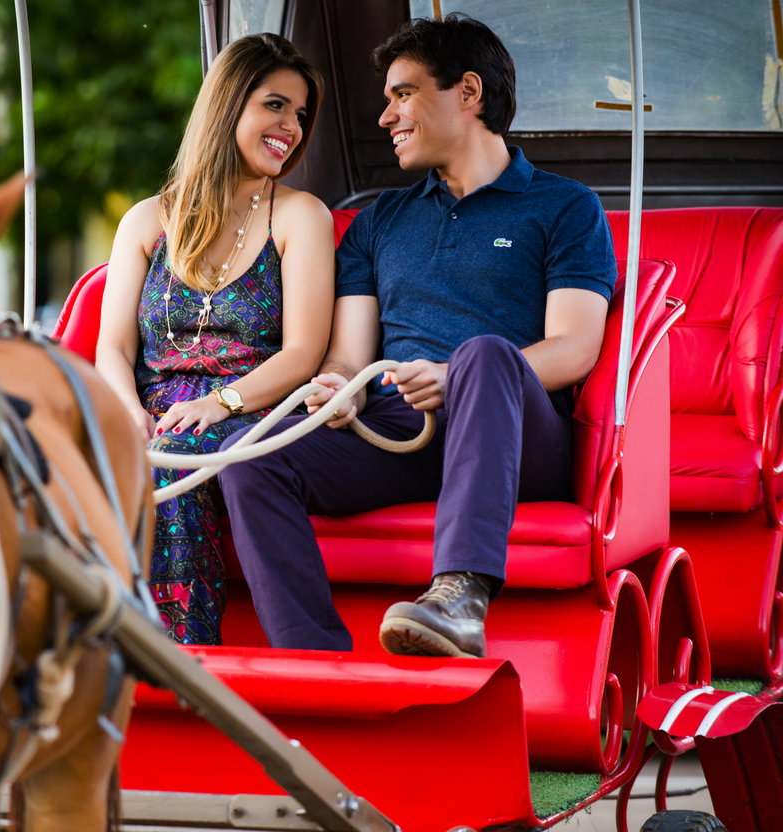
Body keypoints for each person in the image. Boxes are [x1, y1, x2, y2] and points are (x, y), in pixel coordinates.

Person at [218, 14, 617, 657]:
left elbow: (573, 348)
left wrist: (457, 374)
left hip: (512, 435)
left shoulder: (566, 208)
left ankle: (459, 595)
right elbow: (350, 354)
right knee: (250, 460)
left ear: (467, 92)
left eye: (402, 94)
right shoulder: (379, 222)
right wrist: (340, 388)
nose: (386, 117)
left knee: (482, 354)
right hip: (399, 430)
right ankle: (314, 661)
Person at [94, 33, 335, 645]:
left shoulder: (301, 216)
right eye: (275, 105)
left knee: (177, 469)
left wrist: (219, 404)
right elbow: (114, 349)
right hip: (150, 414)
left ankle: (183, 660)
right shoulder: (147, 220)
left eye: (301, 114)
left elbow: (304, 353)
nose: (292, 126)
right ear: (229, 104)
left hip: (249, 408)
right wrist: (129, 415)